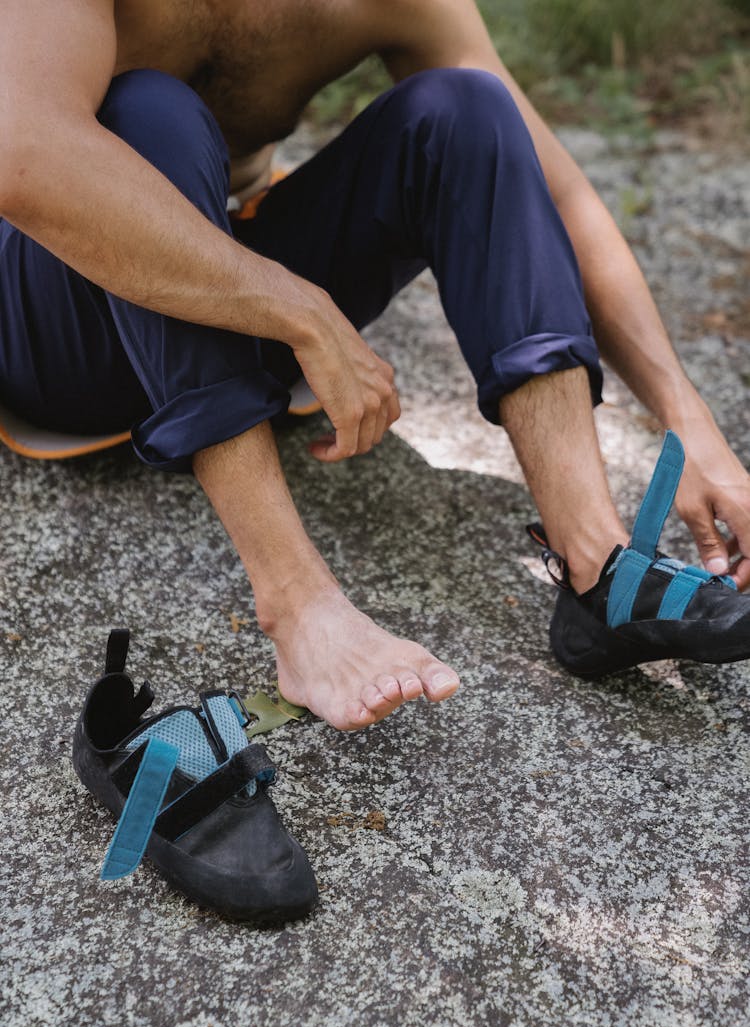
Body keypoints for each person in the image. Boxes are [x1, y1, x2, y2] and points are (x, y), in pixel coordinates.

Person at [2, 0, 749, 730]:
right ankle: (298, 606)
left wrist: (685, 418)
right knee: (148, 110)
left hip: (232, 274)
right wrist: (296, 309)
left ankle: (597, 565)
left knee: (470, 107)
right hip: (57, 327)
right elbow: (25, 152)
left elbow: (551, 192)